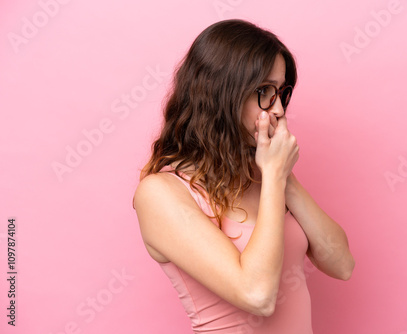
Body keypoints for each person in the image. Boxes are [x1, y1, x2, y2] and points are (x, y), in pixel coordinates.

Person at [133, 19, 355, 334]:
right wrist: (275, 177)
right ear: (221, 93)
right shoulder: (161, 193)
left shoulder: (267, 176)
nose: (278, 109)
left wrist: (282, 178)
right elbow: (257, 296)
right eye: (264, 91)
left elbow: (342, 265)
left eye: (281, 92)